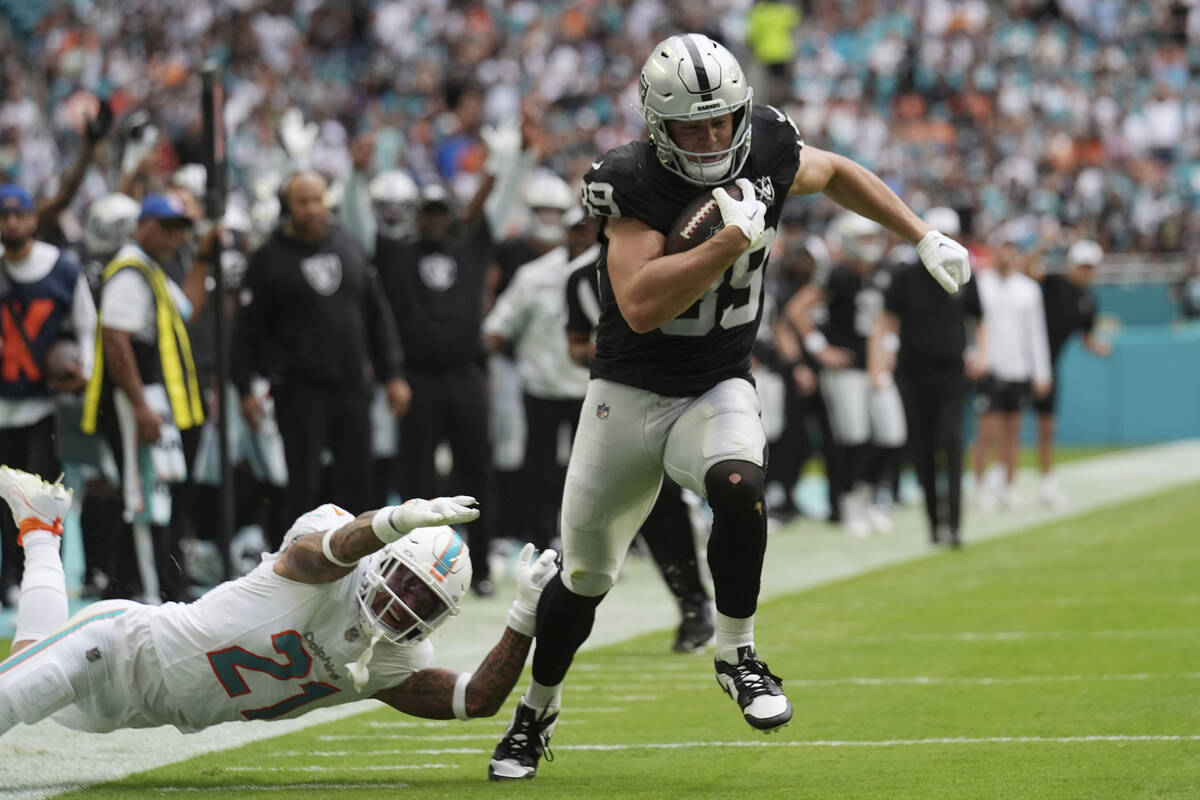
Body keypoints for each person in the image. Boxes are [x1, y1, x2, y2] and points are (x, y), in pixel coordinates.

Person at [488, 32, 971, 781]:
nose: (713, 136)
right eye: (694, 125)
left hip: (716, 381)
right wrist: (724, 242)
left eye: (723, 120)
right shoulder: (628, 181)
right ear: (657, 126)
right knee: (584, 578)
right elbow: (641, 304)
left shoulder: (767, 142)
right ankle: (535, 713)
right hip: (626, 392)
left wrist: (921, 232)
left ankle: (737, 650)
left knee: (741, 485)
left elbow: (835, 172)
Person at [0, 466, 558, 737]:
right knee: (15, 697)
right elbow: (319, 556)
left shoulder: (392, 660)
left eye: (424, 601)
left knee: (29, 653)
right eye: (404, 581)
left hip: (144, 713)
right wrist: (393, 521)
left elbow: (478, 699)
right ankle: (41, 527)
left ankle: (40, 526)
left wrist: (524, 613)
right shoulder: (332, 552)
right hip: (120, 643)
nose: (403, 605)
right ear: (382, 558)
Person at [233, 170, 412, 548]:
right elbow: (246, 330)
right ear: (288, 207)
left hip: (351, 385)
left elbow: (377, 315)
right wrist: (244, 387)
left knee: (358, 481)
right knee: (303, 483)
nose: (313, 209)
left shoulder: (348, 245)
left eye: (318, 200)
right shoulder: (268, 258)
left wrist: (393, 373)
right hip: (298, 389)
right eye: (303, 202)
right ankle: (298, 564)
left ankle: (361, 565)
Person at [563, 223, 717, 655]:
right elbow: (575, 344)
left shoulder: (669, 258)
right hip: (612, 402)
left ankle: (694, 603)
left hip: (678, 395)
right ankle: (566, 617)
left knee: (669, 497)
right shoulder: (579, 276)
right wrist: (611, 356)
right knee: (592, 506)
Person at [79, 193, 214, 603]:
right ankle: (154, 594)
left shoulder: (151, 269)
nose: (176, 237)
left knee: (154, 496)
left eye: (181, 230)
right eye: (168, 228)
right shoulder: (129, 272)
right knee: (145, 501)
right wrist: (139, 407)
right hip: (136, 407)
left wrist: (203, 259)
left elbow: (187, 307)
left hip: (156, 405)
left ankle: (133, 586)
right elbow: (116, 342)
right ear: (145, 225)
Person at [0, 183, 96, 606]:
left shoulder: (61, 268)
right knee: (4, 501)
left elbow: (87, 322)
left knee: (42, 496)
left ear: (33, 219)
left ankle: (40, 576)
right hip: (3, 403)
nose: (12, 223)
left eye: (18, 214)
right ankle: (7, 579)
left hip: (43, 404)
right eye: (4, 216)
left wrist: (85, 371)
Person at [785, 212, 908, 537]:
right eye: (864, 239)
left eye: (872, 238)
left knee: (892, 435)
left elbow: (890, 320)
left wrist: (889, 350)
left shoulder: (883, 273)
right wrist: (820, 348)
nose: (871, 245)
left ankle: (867, 497)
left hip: (876, 367)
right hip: (846, 369)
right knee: (853, 438)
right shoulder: (835, 275)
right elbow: (796, 310)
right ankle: (851, 503)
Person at [869, 207, 987, 547]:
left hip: (951, 372)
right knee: (921, 449)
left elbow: (979, 319)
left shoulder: (964, 273)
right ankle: (935, 524)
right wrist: (883, 358)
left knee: (950, 443)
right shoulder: (906, 274)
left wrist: (982, 354)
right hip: (914, 372)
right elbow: (888, 320)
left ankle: (955, 526)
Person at [972, 239, 1052, 510]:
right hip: (990, 367)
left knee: (1013, 431)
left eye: (1010, 253)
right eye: (1001, 253)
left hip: (1018, 369)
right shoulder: (980, 285)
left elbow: (1036, 334)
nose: (1005, 258)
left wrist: (1041, 372)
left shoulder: (1028, 290)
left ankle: (1008, 485)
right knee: (987, 430)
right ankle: (980, 486)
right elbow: (972, 326)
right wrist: (973, 357)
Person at [1033, 239, 1111, 508]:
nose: (1086, 272)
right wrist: (1043, 241)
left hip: (1050, 366)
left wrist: (1099, 348)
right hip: (1024, 360)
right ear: (1072, 265)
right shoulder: (1054, 282)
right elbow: (1029, 269)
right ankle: (993, 481)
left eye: (1090, 267)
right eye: (1082, 266)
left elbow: (1085, 338)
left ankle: (1046, 484)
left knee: (1047, 426)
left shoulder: (1089, 301)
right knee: (1004, 421)